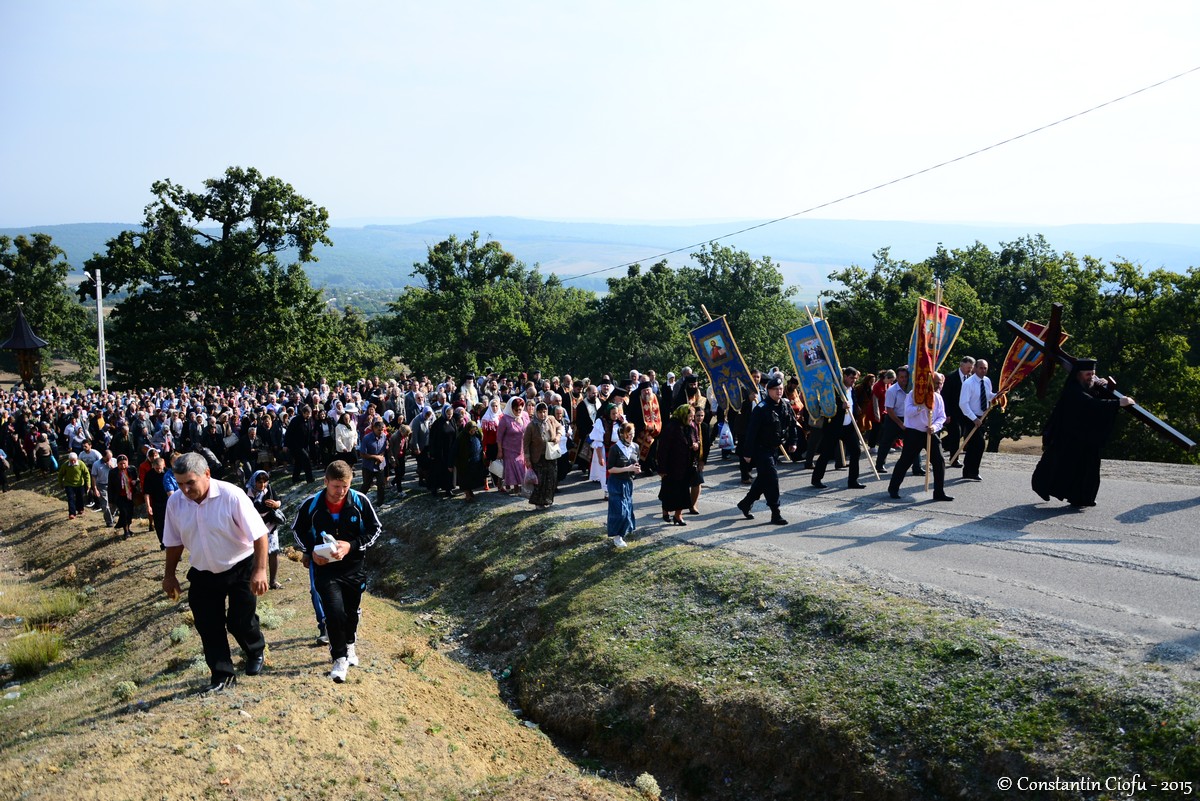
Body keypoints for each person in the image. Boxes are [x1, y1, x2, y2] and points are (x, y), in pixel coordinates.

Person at [162, 452, 269, 695]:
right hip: (203, 572)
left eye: (190, 482)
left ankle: (255, 650)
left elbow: (259, 534)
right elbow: (174, 543)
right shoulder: (175, 503)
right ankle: (223, 675)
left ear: (207, 474)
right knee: (208, 625)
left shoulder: (231, 495)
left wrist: (260, 570)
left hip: (240, 567)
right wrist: (169, 575)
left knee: (239, 622)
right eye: (180, 483)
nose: (185, 489)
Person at [292, 460, 383, 683]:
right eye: (336, 486)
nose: (340, 492)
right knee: (334, 613)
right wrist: (310, 551)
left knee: (351, 612)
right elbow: (297, 530)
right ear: (326, 482)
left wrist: (351, 546)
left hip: (354, 567)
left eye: (345, 486)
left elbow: (375, 529)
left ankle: (350, 644)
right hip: (325, 569)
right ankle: (339, 659)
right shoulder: (311, 504)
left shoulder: (360, 501)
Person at [1032, 359, 1135, 509]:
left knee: (1087, 469)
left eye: (1093, 374)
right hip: (1069, 437)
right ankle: (1043, 487)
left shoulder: (1087, 386)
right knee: (1060, 466)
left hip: (1086, 437)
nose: (1091, 377)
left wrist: (1102, 386)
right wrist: (1118, 403)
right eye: (1088, 374)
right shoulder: (1073, 389)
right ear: (1078, 374)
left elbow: (1094, 398)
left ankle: (1082, 498)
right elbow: (1090, 404)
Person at [736, 376, 795, 524]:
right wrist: (747, 453)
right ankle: (776, 512)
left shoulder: (785, 405)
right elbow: (751, 432)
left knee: (763, 479)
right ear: (768, 391)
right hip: (761, 449)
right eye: (775, 389)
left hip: (775, 449)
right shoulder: (761, 408)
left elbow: (792, 424)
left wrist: (793, 442)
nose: (779, 391)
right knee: (772, 479)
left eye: (780, 389)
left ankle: (746, 503)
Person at [887, 372, 953, 502]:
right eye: (936, 383)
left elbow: (942, 417)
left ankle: (939, 492)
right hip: (914, 432)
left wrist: (934, 427)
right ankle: (893, 488)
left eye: (940, 383)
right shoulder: (913, 394)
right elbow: (908, 412)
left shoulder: (938, 397)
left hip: (930, 433)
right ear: (929, 382)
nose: (938, 386)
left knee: (939, 461)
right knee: (905, 461)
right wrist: (922, 405)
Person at [811, 368, 866, 492]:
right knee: (826, 453)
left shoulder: (852, 390)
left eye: (855, 378)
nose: (853, 381)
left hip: (848, 427)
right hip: (834, 427)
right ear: (845, 376)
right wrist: (841, 406)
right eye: (851, 378)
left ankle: (853, 481)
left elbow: (853, 404)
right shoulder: (835, 390)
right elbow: (827, 406)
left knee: (856, 451)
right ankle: (816, 479)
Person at [875, 366, 924, 476]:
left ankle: (917, 467)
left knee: (914, 443)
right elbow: (889, 409)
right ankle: (879, 465)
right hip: (893, 418)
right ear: (897, 378)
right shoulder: (892, 390)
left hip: (908, 418)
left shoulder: (912, 390)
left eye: (906, 377)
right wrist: (900, 423)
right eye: (901, 377)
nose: (904, 379)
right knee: (886, 443)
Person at [658, 404, 699, 526]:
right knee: (669, 491)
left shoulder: (690, 427)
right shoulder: (671, 427)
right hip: (671, 466)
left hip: (685, 465)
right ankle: (665, 511)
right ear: (683, 415)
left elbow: (694, 440)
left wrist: (695, 445)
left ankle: (678, 515)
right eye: (690, 417)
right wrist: (662, 468)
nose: (692, 419)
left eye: (692, 417)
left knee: (683, 492)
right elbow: (663, 449)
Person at [958, 358, 997, 482]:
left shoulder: (987, 381)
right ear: (975, 368)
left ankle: (967, 471)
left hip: (982, 416)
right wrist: (974, 419)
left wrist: (996, 395)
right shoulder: (968, 383)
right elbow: (963, 404)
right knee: (979, 444)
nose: (983, 370)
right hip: (970, 417)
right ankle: (973, 471)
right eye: (981, 368)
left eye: (985, 368)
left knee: (973, 446)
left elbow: (988, 395)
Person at [246, 469, 285, 589]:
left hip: (270, 525)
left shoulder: (269, 489)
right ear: (254, 481)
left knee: (273, 552)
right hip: (254, 528)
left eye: (265, 482)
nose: (262, 485)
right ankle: (252, 579)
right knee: (254, 554)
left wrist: (276, 504)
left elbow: (278, 501)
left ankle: (273, 581)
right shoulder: (247, 492)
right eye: (259, 482)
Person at [606, 422, 641, 548]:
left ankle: (622, 533)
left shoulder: (635, 447)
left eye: (632, 434)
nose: (631, 437)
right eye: (628, 434)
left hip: (628, 483)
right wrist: (628, 468)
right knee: (619, 511)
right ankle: (617, 537)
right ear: (622, 435)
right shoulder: (615, 449)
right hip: (616, 483)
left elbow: (636, 462)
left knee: (627, 509)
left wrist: (636, 469)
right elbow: (610, 469)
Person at [522, 401, 563, 509]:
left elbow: (560, 427)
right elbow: (526, 444)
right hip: (538, 458)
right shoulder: (531, 426)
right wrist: (527, 459)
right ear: (536, 412)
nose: (542, 414)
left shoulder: (551, 419)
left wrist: (558, 437)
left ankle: (548, 500)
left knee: (551, 478)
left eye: (544, 412)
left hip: (551, 455)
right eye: (540, 412)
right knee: (539, 481)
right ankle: (538, 503)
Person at [941, 356, 975, 465]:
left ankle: (942, 443)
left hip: (965, 412)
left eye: (971, 367)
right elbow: (945, 397)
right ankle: (954, 459)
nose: (969, 370)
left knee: (961, 433)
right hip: (953, 412)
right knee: (956, 434)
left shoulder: (971, 378)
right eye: (968, 367)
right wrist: (947, 414)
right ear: (961, 365)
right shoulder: (951, 377)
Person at [142, 454, 179, 549]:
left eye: (160, 468)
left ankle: (172, 542)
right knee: (159, 524)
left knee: (170, 523)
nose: (159, 470)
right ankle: (163, 542)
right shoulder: (149, 475)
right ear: (153, 466)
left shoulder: (168, 473)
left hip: (168, 501)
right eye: (157, 468)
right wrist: (148, 506)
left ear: (164, 465)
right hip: (156, 502)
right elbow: (146, 492)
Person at [496, 397, 529, 494]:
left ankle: (521, 487)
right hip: (509, 449)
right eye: (516, 410)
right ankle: (515, 488)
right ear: (511, 408)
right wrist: (500, 451)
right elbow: (499, 437)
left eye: (520, 409)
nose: (518, 411)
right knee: (514, 469)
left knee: (522, 468)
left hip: (522, 448)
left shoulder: (525, 415)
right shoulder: (505, 419)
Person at [358, 419, 389, 505]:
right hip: (368, 466)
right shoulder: (366, 438)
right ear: (374, 428)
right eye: (379, 430)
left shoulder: (384, 436)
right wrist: (375, 457)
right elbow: (362, 454)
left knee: (381, 485)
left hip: (380, 465)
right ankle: (357, 501)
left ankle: (380, 503)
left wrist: (381, 456)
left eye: (382, 430)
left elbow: (384, 449)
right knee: (366, 485)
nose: (381, 432)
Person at [455, 419, 485, 501]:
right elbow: (455, 450)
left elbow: (480, 443)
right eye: (471, 430)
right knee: (465, 479)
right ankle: (467, 494)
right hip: (464, 462)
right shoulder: (461, 437)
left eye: (474, 430)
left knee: (472, 479)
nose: (472, 432)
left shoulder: (477, 434)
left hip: (475, 461)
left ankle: (470, 491)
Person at [109, 453, 139, 538]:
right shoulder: (113, 472)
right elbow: (110, 487)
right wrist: (111, 501)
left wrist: (135, 481)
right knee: (124, 512)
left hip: (130, 495)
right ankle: (126, 531)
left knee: (130, 513)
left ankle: (128, 528)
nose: (123, 466)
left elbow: (137, 479)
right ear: (117, 464)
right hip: (119, 496)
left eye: (124, 463)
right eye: (120, 464)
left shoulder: (132, 469)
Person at [57, 451, 91, 520]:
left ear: (77, 459)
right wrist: (61, 483)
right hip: (69, 484)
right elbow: (60, 474)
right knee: (71, 498)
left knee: (80, 497)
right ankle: (72, 513)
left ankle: (80, 509)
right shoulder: (65, 465)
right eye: (71, 460)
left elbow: (86, 474)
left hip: (79, 484)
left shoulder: (81, 464)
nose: (73, 462)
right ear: (69, 460)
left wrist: (88, 483)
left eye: (74, 460)